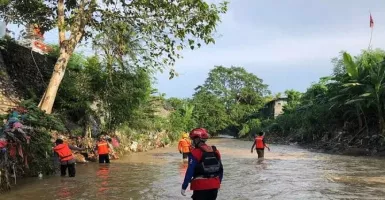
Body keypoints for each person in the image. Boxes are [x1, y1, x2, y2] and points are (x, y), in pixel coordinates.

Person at [181, 128, 223, 200]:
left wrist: (184, 186)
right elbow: (221, 170)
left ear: (197, 140)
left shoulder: (194, 153)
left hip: (200, 187)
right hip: (214, 186)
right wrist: (219, 183)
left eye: (193, 139)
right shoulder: (215, 151)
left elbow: (190, 171)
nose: (192, 142)